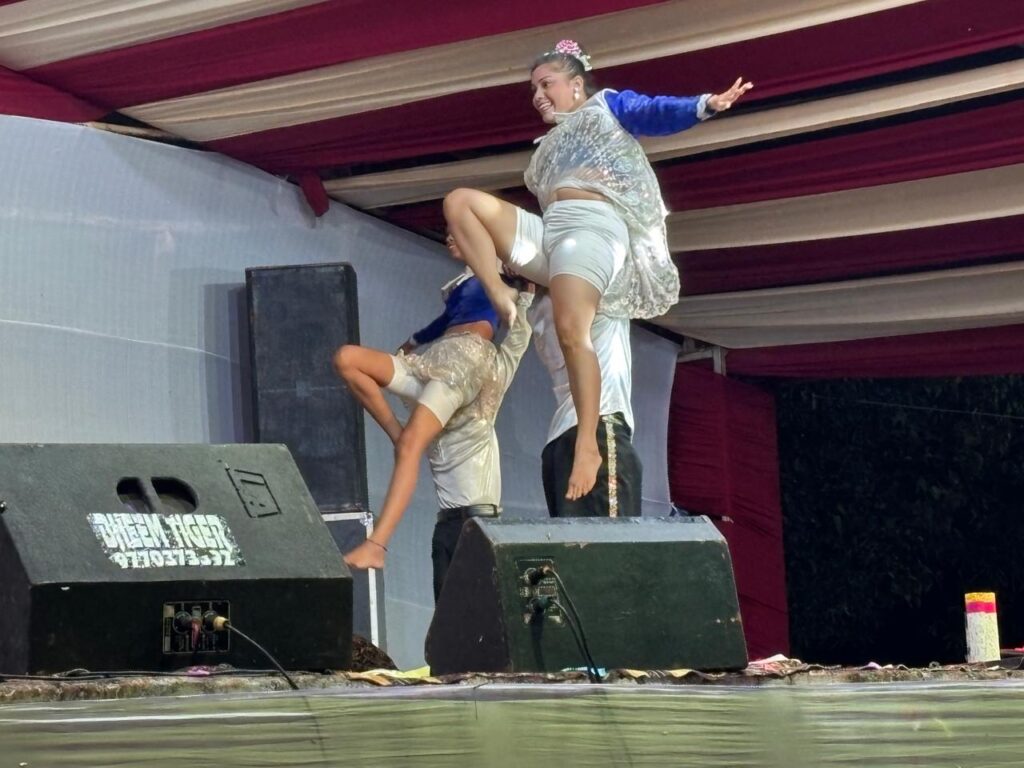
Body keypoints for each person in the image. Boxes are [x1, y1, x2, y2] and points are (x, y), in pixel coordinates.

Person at [444, 39, 752, 504]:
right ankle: (501, 295)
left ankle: (588, 442)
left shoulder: (606, 106)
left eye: (546, 84)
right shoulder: (549, 145)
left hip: (592, 228)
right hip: (554, 231)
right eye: (533, 89)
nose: (538, 96)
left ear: (576, 83)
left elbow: (652, 111)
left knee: (573, 330)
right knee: (461, 203)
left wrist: (705, 104)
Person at [332, 235, 532, 578]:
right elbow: (445, 320)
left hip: (465, 362)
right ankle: (398, 436)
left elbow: (520, 324)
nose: (450, 235)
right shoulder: (466, 280)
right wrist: (413, 342)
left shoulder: (496, 270)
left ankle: (377, 545)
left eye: (459, 229)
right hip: (436, 362)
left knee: (412, 445)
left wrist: (526, 292)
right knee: (347, 359)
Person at [528, 289, 642, 518]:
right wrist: (588, 444)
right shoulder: (587, 283)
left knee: (578, 541)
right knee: (613, 540)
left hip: (563, 439)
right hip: (596, 432)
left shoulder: (538, 305)